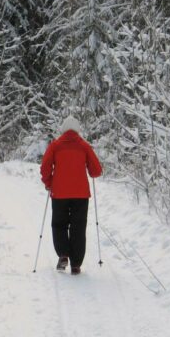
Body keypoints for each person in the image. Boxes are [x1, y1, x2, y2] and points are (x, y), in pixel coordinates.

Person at [40, 115, 102, 275]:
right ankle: (76, 264)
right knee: (78, 227)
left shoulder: (56, 145)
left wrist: (48, 182)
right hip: (80, 195)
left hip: (59, 193)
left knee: (59, 224)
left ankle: (63, 254)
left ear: (63, 129)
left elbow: (45, 167)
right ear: (77, 130)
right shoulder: (84, 146)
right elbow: (96, 171)